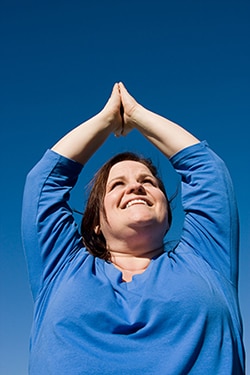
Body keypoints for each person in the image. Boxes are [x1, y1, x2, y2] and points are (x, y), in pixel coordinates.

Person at [22, 82, 245, 374]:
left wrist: (137, 114)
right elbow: (43, 183)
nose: (136, 187)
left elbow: (206, 170)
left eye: (148, 182)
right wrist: (106, 120)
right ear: (96, 223)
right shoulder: (61, 267)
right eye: (117, 185)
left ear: (167, 216)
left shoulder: (206, 258)